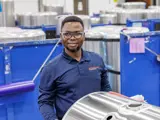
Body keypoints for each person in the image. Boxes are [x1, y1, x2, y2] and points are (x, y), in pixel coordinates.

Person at [38, 15, 112, 120]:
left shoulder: (97, 60)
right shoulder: (51, 68)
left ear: (84, 36)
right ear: (61, 36)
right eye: (67, 34)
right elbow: (45, 102)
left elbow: (106, 89)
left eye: (77, 33)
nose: (72, 38)